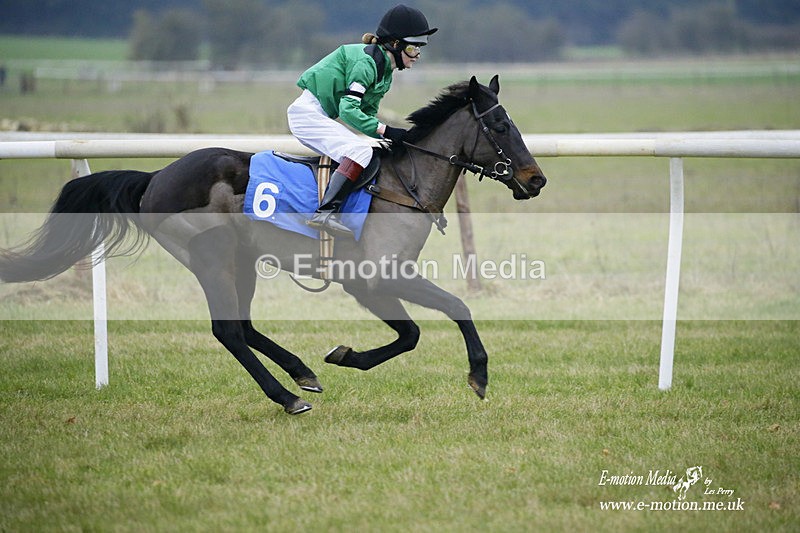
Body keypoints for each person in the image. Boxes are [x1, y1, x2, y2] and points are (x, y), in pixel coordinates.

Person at [287, 4, 437, 237]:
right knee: (360, 152)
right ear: (395, 45)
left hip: (317, 114)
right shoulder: (366, 64)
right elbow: (348, 111)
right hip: (307, 115)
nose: (417, 55)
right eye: (413, 47)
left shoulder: (384, 72)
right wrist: (386, 130)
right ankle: (325, 213)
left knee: (366, 150)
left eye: (420, 48)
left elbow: (365, 116)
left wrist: (390, 136)